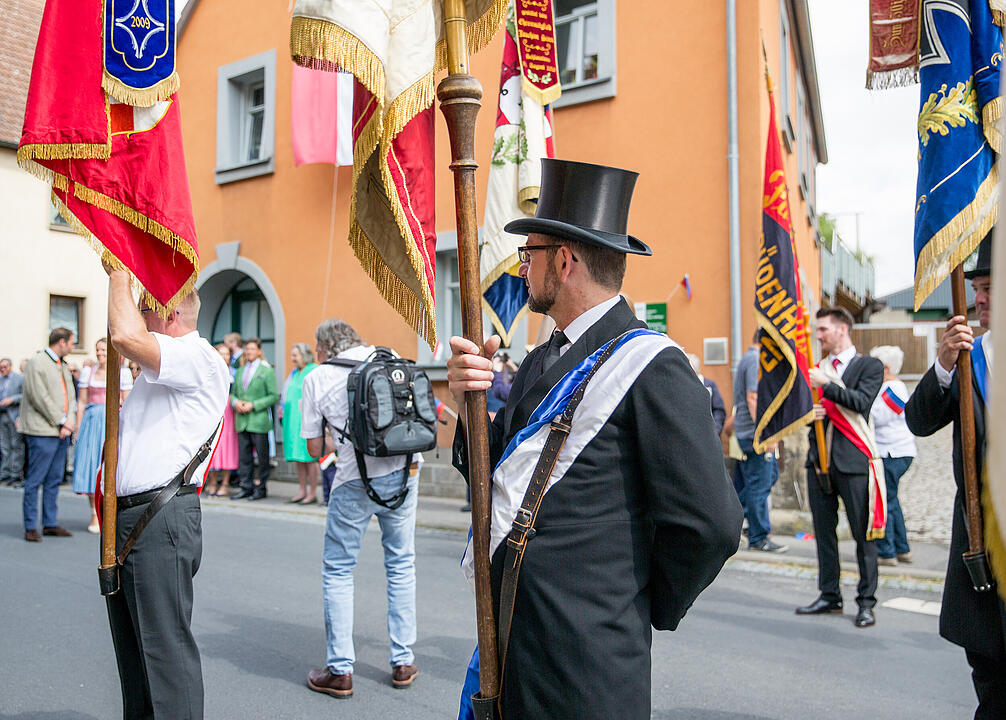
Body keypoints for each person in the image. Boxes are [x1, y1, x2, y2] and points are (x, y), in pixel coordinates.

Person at [447, 159, 742, 719]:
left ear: (564, 260)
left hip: (587, 662)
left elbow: (711, 522)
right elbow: (500, 477)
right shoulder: (541, 359)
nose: (521, 270)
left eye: (528, 255)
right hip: (511, 637)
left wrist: (636, 599)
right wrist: (468, 407)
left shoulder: (654, 366)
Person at [102, 267, 228, 719]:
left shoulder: (197, 357)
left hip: (161, 517)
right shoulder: (163, 368)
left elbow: (125, 338)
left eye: (143, 306)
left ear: (168, 312)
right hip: (136, 519)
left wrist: (120, 275)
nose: (135, 314)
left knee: (166, 657)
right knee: (137, 660)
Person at [905, 236, 1006, 717]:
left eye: (989, 287)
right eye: (976, 288)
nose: (979, 298)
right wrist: (944, 364)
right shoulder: (970, 357)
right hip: (986, 547)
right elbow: (919, 421)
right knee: (993, 682)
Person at [300, 319, 420, 698]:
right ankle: (402, 661)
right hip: (405, 474)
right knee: (401, 564)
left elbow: (315, 450)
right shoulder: (391, 358)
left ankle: (340, 670)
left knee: (338, 570)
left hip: (353, 480)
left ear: (323, 348)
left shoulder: (316, 377)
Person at [797, 306, 884, 629]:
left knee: (863, 536)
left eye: (823, 330)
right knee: (823, 534)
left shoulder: (869, 366)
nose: (817, 336)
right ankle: (830, 595)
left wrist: (827, 385)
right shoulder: (816, 368)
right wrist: (810, 415)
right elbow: (806, 412)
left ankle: (866, 602)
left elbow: (861, 403)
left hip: (853, 461)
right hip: (819, 461)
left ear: (842, 330)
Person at [18, 327, 77, 541]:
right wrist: (61, 420)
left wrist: (68, 421)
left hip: (61, 431)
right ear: (61, 342)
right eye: (71, 343)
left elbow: (71, 395)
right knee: (35, 480)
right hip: (41, 431)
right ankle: (30, 526)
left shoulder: (61, 365)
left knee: (53, 480)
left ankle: (50, 523)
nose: (73, 347)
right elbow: (39, 397)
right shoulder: (37, 362)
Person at [730, 333, 785, 553]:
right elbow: (753, 397)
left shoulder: (750, 357)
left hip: (749, 432)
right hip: (755, 434)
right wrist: (765, 433)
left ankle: (740, 517)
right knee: (759, 486)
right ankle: (758, 537)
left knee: (766, 479)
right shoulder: (754, 359)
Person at [72, 338, 133, 533]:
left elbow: (127, 401)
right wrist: (78, 428)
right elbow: (81, 402)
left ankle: (110, 512)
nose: (100, 354)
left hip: (111, 421)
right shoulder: (88, 372)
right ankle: (94, 513)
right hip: (91, 422)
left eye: (104, 350)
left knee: (111, 467)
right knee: (91, 466)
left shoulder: (121, 373)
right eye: (98, 350)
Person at [868, 345, 916, 566]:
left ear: (885, 368)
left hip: (892, 452)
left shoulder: (892, 390)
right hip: (893, 451)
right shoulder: (890, 388)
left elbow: (878, 417)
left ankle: (887, 551)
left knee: (885, 501)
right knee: (891, 500)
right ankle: (901, 548)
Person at [231, 338, 278, 500]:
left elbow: (272, 396)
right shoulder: (241, 370)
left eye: (252, 349)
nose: (249, 352)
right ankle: (246, 486)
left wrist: (254, 404)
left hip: (258, 420)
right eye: (247, 349)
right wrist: (236, 402)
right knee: (244, 457)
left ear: (259, 351)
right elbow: (234, 393)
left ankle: (262, 487)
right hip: (242, 420)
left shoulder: (266, 371)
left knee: (262, 457)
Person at [281, 342, 319, 504]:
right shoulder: (295, 373)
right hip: (293, 421)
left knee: (309, 457)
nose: (292, 358)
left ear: (305, 356)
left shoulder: (313, 371)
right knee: (298, 456)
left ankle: (312, 492)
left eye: (295, 355)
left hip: (306, 420)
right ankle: (301, 490)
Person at [204, 343, 239, 497]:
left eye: (227, 354)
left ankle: (224, 483)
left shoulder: (234, 374)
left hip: (229, 412)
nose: (224, 356)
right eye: (221, 353)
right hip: (213, 410)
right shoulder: (210, 371)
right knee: (213, 448)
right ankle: (212, 481)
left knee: (228, 448)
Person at [687, 352, 726, 437]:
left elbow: (719, 410)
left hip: (709, 435)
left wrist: (715, 431)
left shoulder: (709, 385)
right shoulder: (682, 386)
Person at [0, 358, 25, 487]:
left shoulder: (18, 378)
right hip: (2, 415)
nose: (2, 369)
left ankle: (15, 473)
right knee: (4, 446)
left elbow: (25, 395)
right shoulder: (0, 379)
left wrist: (12, 399)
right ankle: (5, 471)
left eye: (4, 367)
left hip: (14, 415)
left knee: (16, 446)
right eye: (1, 367)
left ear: (10, 366)